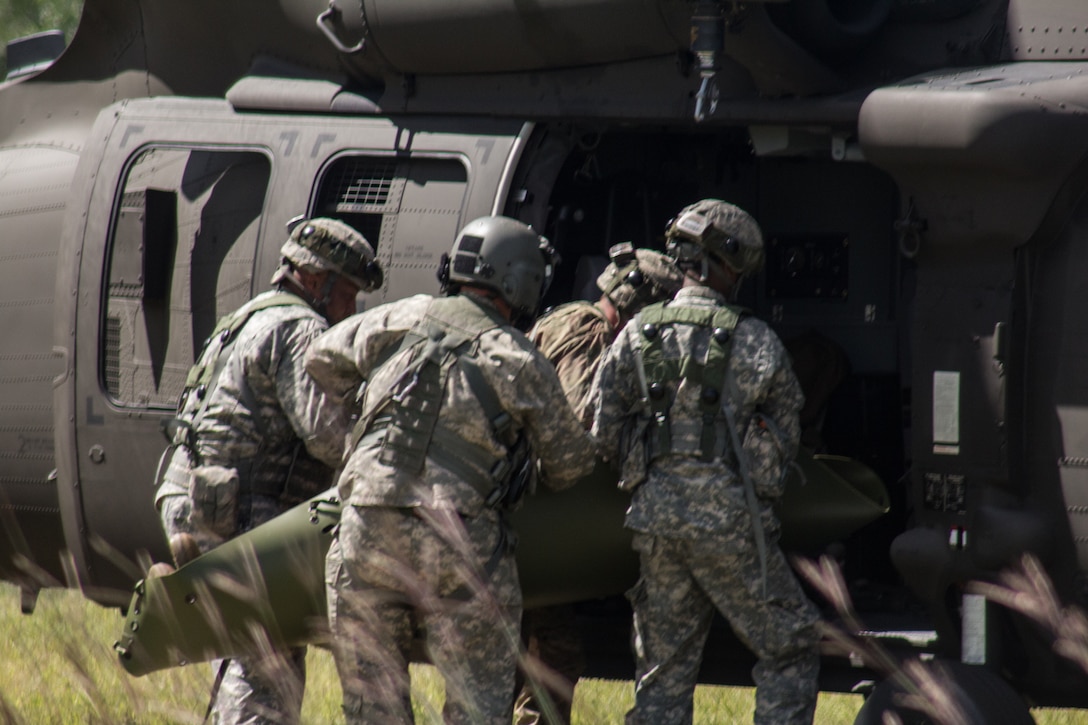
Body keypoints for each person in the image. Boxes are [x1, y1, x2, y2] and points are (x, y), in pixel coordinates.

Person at [305, 215, 597, 725]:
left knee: (372, 709)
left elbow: (320, 358)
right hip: (457, 540)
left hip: (364, 528)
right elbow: (570, 466)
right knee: (478, 704)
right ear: (520, 280)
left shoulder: (403, 316)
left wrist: (366, 419)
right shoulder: (517, 357)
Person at [588, 199, 821, 725]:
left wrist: (650, 474)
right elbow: (784, 438)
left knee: (662, 677)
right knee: (792, 647)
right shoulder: (757, 340)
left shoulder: (636, 333)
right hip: (730, 527)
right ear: (726, 263)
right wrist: (752, 489)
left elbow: (603, 432)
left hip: (655, 524)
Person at [153, 217, 383, 725]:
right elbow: (328, 436)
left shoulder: (248, 316)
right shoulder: (301, 330)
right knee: (267, 664)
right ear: (318, 282)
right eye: (348, 295)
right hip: (243, 513)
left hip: (197, 498)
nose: (350, 309)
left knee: (240, 648)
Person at [515, 242, 683, 724]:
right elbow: (577, 421)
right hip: (542, 516)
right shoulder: (588, 332)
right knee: (554, 658)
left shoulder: (571, 319)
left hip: (534, 516)